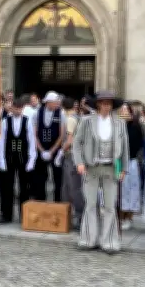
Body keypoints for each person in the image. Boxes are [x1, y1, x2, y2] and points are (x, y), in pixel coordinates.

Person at [72, 90, 129, 253]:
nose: (107, 106)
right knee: (90, 204)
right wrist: (79, 162)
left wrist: (123, 168)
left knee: (110, 205)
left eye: (109, 103)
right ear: (97, 104)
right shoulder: (86, 121)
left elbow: (125, 148)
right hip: (91, 168)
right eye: (104, 103)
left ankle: (110, 241)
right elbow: (77, 144)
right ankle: (89, 239)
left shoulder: (120, 123)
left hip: (111, 168)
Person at [0, 98, 36, 223]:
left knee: (24, 188)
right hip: (8, 158)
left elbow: (31, 142)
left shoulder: (27, 121)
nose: (18, 110)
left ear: (22, 108)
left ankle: (24, 214)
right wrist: (1, 159)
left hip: (23, 158)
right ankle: (6, 215)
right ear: (12, 108)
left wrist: (31, 160)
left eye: (20, 108)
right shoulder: (5, 121)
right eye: (15, 108)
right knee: (7, 187)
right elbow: (1, 142)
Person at [32, 91, 65, 201]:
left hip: (55, 149)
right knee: (40, 177)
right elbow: (34, 134)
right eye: (55, 102)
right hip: (41, 148)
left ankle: (57, 202)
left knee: (57, 177)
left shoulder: (61, 113)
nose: (57, 104)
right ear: (48, 102)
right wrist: (41, 150)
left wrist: (52, 151)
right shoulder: (37, 112)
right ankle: (40, 201)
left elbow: (61, 134)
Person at [119, 102, 144, 231]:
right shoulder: (117, 125)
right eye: (122, 110)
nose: (124, 112)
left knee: (130, 190)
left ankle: (128, 217)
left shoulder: (135, 126)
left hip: (131, 161)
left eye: (126, 110)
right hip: (118, 161)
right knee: (120, 190)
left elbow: (136, 144)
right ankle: (120, 216)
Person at [60, 97, 85, 229]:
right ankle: (69, 216)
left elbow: (69, 140)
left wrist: (60, 151)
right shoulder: (78, 117)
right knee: (70, 187)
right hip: (76, 155)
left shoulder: (70, 119)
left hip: (71, 156)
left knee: (73, 188)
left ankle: (79, 217)